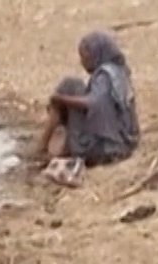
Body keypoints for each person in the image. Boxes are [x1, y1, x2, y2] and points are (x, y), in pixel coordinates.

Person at [37, 30, 140, 186]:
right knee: (73, 86)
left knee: (69, 86)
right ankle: (48, 147)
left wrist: (59, 99)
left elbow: (94, 104)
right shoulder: (118, 72)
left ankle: (43, 147)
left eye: (85, 57)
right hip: (123, 142)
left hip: (108, 148)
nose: (82, 62)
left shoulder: (105, 76)